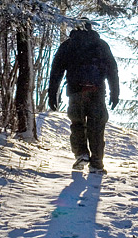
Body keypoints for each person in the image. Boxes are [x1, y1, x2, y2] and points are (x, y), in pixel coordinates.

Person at [48, 19, 119, 174]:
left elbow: (56, 71)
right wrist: (115, 92)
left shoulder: (68, 45)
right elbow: (112, 70)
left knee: (78, 124)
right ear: (90, 28)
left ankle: (81, 154)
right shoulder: (101, 45)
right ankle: (97, 163)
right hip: (97, 91)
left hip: (76, 92)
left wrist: (52, 93)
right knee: (97, 128)